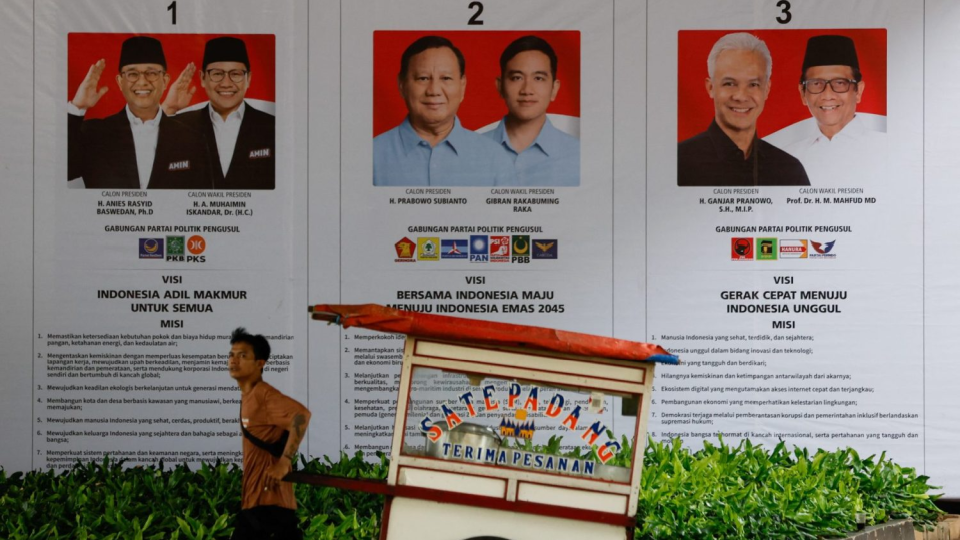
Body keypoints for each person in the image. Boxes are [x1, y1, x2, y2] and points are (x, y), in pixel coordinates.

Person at [68, 36, 212, 189]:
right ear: (120, 82)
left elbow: (203, 197)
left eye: (151, 73)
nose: (142, 81)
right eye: (132, 74)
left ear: (165, 81)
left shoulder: (191, 138)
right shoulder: (92, 134)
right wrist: (78, 106)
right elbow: (65, 170)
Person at [373, 35, 516, 187]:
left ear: (462, 86)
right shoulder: (371, 156)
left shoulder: (495, 158)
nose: (434, 90)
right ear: (402, 85)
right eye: (422, 78)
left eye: (446, 78)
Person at [677, 33, 809, 187]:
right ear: (710, 87)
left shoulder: (789, 170)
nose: (741, 96)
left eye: (753, 84)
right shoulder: (678, 163)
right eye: (729, 83)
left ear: (766, 90)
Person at [229, 327, 310, 540]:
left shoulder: (262, 395)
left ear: (260, 363)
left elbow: (301, 415)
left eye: (243, 355)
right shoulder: (249, 396)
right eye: (232, 355)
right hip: (265, 504)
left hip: (267, 503)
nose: (234, 360)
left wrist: (285, 461)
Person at [163, 36, 276, 190]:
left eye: (235, 74)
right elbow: (149, 169)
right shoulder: (179, 124)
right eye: (217, 74)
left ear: (248, 79)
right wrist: (168, 109)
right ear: (203, 78)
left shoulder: (273, 127)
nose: (226, 83)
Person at [780, 35, 887, 186]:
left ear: (859, 91)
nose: (828, 95)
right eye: (816, 83)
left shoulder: (888, 149)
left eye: (840, 83)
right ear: (803, 93)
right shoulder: (787, 158)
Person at [485, 35, 579, 187]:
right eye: (516, 78)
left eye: (538, 78)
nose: (527, 90)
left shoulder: (579, 155)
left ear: (554, 89)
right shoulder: (471, 151)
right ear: (500, 86)